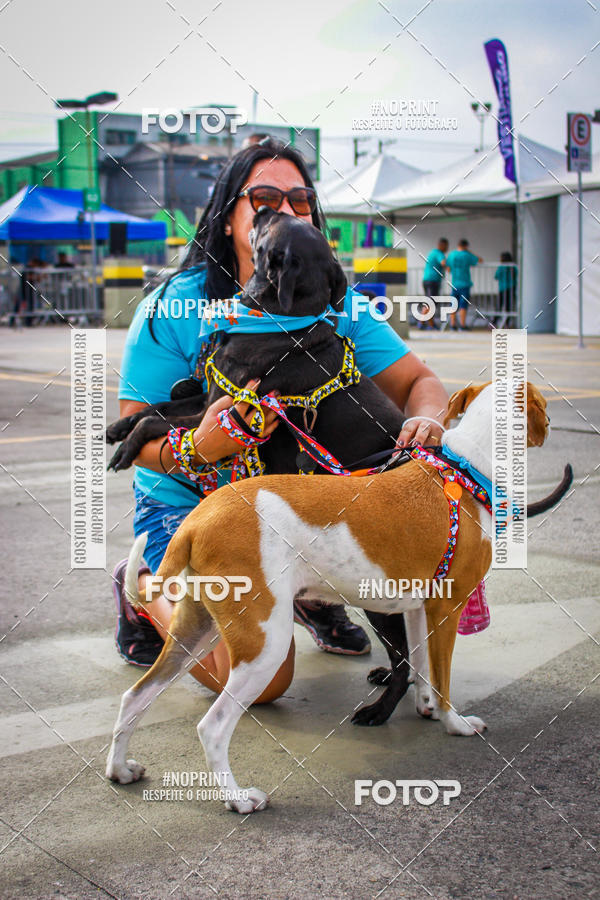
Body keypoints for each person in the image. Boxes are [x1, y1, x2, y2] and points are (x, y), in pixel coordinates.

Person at [112, 138, 448, 703]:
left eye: (299, 199)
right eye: (265, 197)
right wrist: (197, 445)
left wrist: (428, 423)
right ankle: (146, 581)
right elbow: (135, 435)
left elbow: (420, 383)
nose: (284, 210)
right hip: (192, 506)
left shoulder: (330, 300)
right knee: (263, 682)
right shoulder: (173, 306)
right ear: (227, 217)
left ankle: (306, 592)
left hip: (294, 510)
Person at [446, 239, 482, 331]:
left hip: (454, 283)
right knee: (463, 305)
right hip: (464, 283)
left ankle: (452, 325)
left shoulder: (451, 255)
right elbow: (480, 260)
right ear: (466, 246)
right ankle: (462, 325)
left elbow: (448, 268)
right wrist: (469, 251)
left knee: (453, 304)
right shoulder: (467, 255)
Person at [419, 238, 449, 329]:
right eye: (446, 246)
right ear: (442, 245)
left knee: (430, 302)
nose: (447, 249)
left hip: (426, 280)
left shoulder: (432, 252)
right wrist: (448, 267)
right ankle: (422, 322)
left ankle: (431, 324)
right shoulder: (439, 253)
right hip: (433, 281)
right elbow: (443, 262)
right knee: (431, 303)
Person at [494, 251, 517, 326]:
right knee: (508, 306)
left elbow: (496, 276)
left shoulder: (501, 267)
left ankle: (495, 321)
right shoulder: (513, 267)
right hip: (511, 289)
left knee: (499, 306)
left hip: (502, 289)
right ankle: (507, 323)